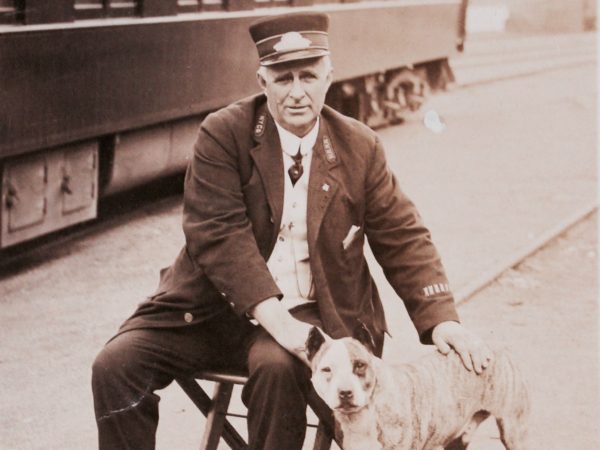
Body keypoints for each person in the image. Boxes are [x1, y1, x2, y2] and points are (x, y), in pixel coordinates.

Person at [91, 12, 491, 450]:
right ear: (263, 83)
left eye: (309, 76)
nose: (297, 92)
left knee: (278, 369)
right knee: (115, 365)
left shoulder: (360, 146)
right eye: (283, 79)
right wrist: (278, 323)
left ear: (329, 78)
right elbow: (219, 236)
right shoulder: (223, 134)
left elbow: (402, 234)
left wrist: (441, 321)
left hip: (312, 317)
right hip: (208, 311)